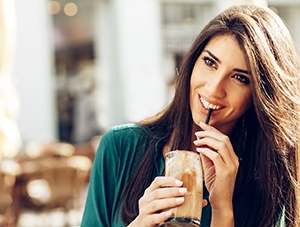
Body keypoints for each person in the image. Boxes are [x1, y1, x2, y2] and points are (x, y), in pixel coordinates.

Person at [81, 4, 300, 227]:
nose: (214, 89)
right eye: (210, 62)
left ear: (260, 96)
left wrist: (222, 208)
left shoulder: (267, 178)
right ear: (192, 61)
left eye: (240, 78)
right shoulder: (120, 147)